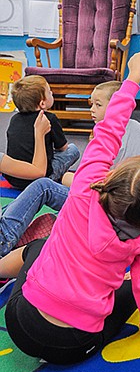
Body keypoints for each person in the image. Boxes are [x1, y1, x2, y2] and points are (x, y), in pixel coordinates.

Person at [2, 49, 140, 365]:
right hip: (73, 347)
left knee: (41, 247)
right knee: (131, 290)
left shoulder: (85, 186)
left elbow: (110, 129)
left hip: (19, 322)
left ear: (113, 177)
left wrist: (134, 76)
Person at [0, 112, 68, 291]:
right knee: (45, 186)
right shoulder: (44, 119)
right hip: (2, 236)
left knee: (52, 214)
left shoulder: (15, 120)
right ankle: (92, 205)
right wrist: (38, 134)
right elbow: (39, 173)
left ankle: (18, 245)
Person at [62, 81, 140, 188]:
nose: (92, 109)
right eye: (92, 104)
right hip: (138, 182)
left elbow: (95, 168)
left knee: (65, 178)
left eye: (98, 105)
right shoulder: (137, 125)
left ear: (115, 107)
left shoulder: (105, 132)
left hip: (110, 186)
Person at [4, 75, 80, 190]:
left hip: (13, 178)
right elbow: (63, 148)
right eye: (49, 92)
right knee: (73, 149)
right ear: (42, 103)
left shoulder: (14, 119)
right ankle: (57, 178)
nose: (52, 93)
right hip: (38, 180)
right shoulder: (49, 118)